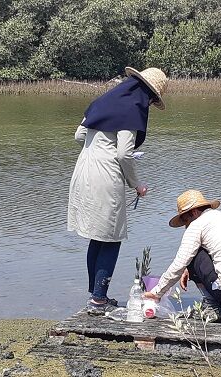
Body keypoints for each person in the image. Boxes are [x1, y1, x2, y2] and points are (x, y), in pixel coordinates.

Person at [67, 67, 168, 316]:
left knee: (97, 236)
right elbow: (123, 153)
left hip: (83, 172)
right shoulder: (131, 109)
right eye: (152, 101)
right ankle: (99, 300)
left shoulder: (102, 101)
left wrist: (101, 146)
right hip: (105, 178)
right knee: (111, 238)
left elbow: (79, 135)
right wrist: (137, 185)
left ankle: (95, 296)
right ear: (147, 95)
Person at [143, 190, 221, 324]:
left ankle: (211, 307)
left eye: (185, 220)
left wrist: (157, 293)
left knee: (194, 254)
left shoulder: (197, 225)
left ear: (194, 212)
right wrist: (187, 269)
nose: (186, 226)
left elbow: (179, 264)